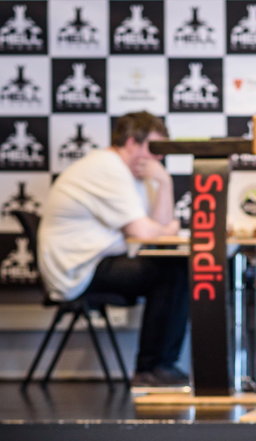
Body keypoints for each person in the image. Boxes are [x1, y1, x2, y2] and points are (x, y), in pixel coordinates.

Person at [38, 111, 189, 386]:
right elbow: (145, 232)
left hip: (95, 262)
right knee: (172, 272)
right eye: (153, 148)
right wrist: (166, 230)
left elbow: (160, 231)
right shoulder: (107, 167)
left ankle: (158, 365)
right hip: (77, 271)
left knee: (173, 267)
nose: (158, 157)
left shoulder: (135, 174)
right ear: (131, 142)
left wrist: (165, 183)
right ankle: (152, 368)